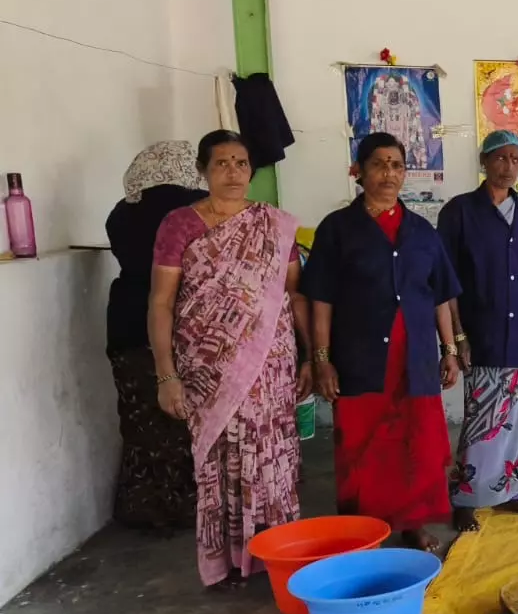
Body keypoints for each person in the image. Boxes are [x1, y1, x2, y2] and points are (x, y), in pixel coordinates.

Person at [148, 130, 309, 586]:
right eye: (222, 163)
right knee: (222, 459)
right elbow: (161, 302)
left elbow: (295, 294)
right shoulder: (179, 225)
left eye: (241, 163)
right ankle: (232, 558)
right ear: (203, 170)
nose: (233, 173)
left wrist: (312, 358)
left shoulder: (273, 225)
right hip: (208, 367)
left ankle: (277, 550)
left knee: (270, 454)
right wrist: (166, 375)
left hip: (270, 365)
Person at [304, 132, 462, 553]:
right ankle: (363, 530)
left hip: (416, 358)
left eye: (396, 165)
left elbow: (439, 296)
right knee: (362, 446)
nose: (388, 173)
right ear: (358, 171)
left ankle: (412, 524)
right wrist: (322, 358)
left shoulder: (422, 231)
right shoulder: (338, 229)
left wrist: (449, 350)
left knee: (418, 443)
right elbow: (321, 298)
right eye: (379, 164)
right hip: (361, 358)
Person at [437, 130, 518, 532]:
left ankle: (510, 491)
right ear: (484, 161)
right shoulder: (459, 212)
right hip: (483, 334)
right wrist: (457, 337)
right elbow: (446, 281)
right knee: (482, 424)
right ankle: (466, 498)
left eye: (515, 159)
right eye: (500, 158)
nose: (508, 167)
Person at [107, 140, 208, 531]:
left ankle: (143, 506)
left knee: (141, 418)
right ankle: (188, 508)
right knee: (185, 420)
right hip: (180, 325)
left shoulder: (121, 213)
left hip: (127, 324)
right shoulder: (193, 210)